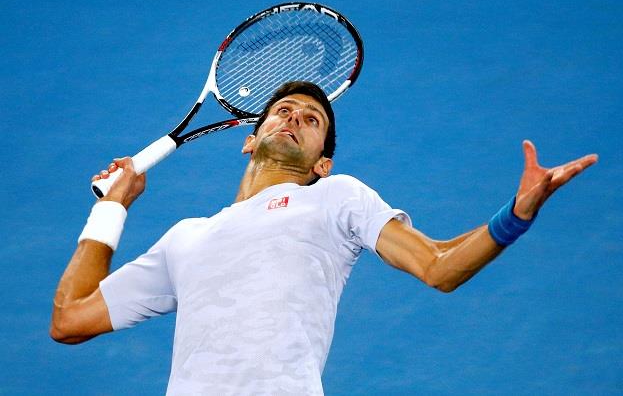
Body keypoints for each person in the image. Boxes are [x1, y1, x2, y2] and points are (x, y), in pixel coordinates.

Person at [50, 81, 598, 395]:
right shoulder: (185, 238)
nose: (293, 119)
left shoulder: (337, 197)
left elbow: (439, 266)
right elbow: (70, 319)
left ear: (322, 164)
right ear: (250, 140)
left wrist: (515, 215)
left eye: (311, 120)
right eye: (282, 111)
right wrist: (112, 209)